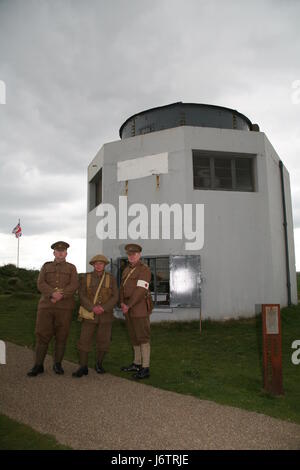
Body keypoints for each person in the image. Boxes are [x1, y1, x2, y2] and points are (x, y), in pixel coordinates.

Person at [27, 241, 79, 377]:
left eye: (63, 251)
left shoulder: (71, 268)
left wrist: (60, 296)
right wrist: (52, 293)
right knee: (42, 335)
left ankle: (58, 364)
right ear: (54, 253)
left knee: (62, 336)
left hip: (64, 307)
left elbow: (74, 285)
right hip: (46, 306)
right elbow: (40, 283)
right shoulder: (46, 266)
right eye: (58, 250)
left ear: (66, 253)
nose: (60, 252)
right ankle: (38, 365)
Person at [72, 254, 118, 378]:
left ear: (104, 265)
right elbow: (81, 295)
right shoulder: (85, 277)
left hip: (105, 315)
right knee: (84, 341)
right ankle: (83, 366)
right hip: (89, 314)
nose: (98, 266)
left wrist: (104, 307)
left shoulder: (111, 278)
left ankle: (99, 364)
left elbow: (115, 296)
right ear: (93, 265)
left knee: (104, 341)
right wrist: (93, 307)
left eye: (101, 264)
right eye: (96, 263)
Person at [120, 243, 152, 379]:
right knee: (133, 336)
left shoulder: (144, 270)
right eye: (129, 254)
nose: (131, 256)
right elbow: (121, 287)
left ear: (139, 255)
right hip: (127, 306)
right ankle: (137, 363)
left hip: (138, 307)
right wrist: (122, 302)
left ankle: (145, 368)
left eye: (134, 254)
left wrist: (129, 305)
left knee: (142, 337)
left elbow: (141, 290)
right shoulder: (126, 269)